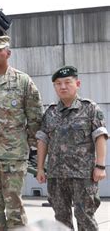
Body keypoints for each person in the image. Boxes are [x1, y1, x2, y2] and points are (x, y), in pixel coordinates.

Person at [0, 36, 43, 230]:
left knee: (14, 210)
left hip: (12, 156)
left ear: (8, 53)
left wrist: (28, 146)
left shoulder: (22, 82)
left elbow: (35, 118)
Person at [36, 66, 107, 231]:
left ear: (77, 83)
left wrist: (100, 166)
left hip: (82, 175)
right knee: (60, 219)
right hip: (56, 175)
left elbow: (100, 136)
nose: (63, 87)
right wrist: (40, 168)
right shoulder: (50, 112)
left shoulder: (90, 109)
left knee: (85, 217)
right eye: (58, 83)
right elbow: (43, 140)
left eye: (67, 82)